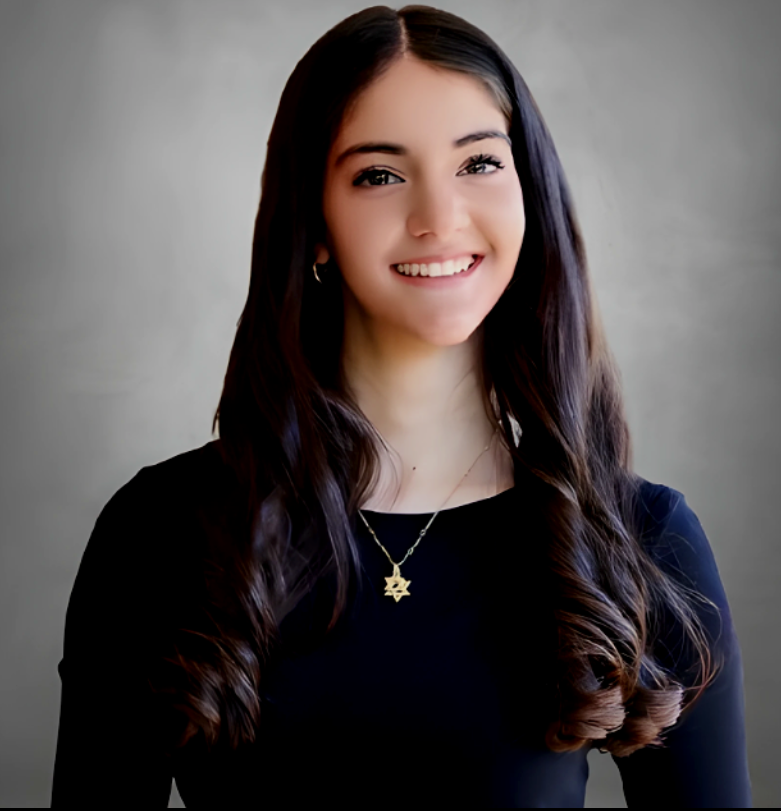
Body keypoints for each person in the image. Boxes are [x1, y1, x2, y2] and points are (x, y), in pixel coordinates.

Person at [51, 5, 752, 807]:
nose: (438, 218)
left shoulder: (643, 542)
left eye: (478, 164)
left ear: (528, 192)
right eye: (378, 174)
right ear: (313, 222)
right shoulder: (160, 533)